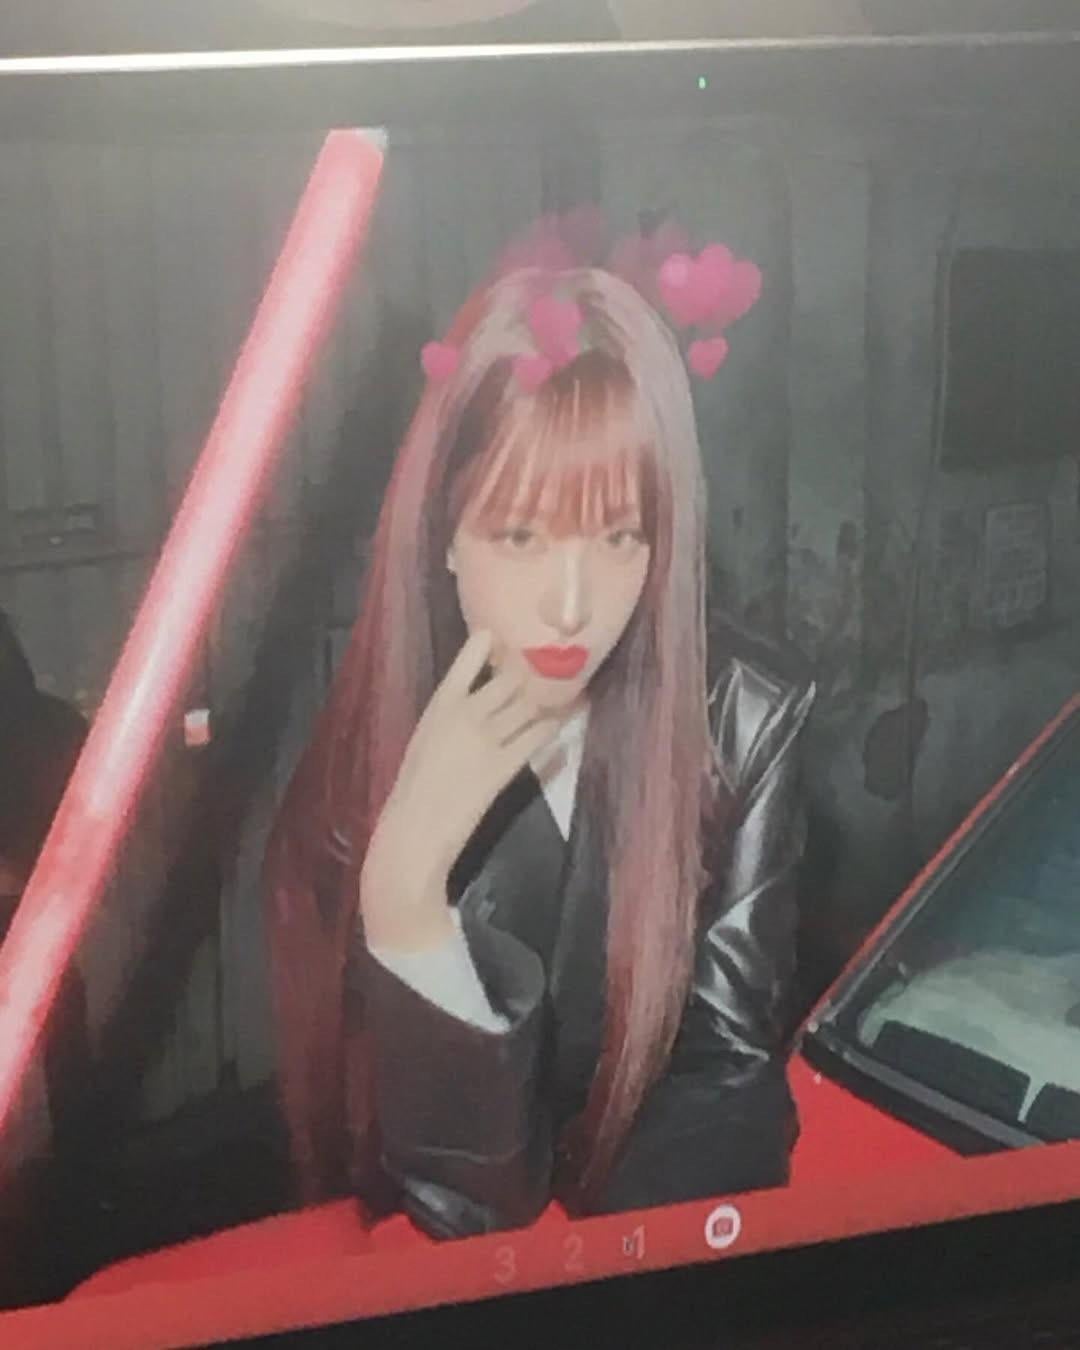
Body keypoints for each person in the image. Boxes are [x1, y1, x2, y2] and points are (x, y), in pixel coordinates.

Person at [265, 225, 815, 1239]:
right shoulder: (349, 787)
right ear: (444, 537)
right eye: (520, 534)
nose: (572, 606)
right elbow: (433, 1194)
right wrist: (405, 902)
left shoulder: (741, 718)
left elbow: (725, 1082)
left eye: (619, 536)